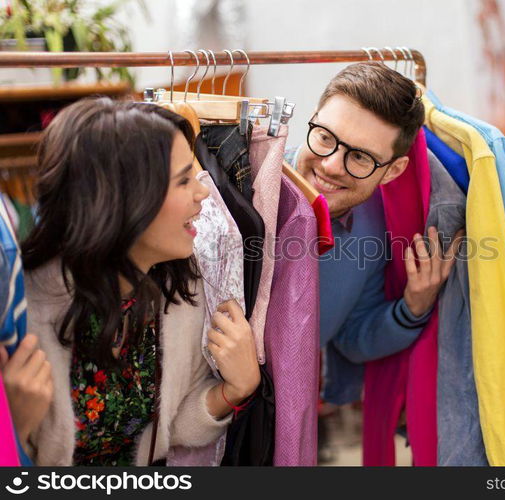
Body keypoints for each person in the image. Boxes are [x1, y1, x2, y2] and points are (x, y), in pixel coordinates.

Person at [12, 98, 260, 465]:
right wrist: (12, 427)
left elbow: (170, 427)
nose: (204, 192)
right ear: (123, 199)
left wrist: (235, 389)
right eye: (183, 180)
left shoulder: (180, 286)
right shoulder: (22, 307)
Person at [286, 62, 462, 405]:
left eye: (361, 157)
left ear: (393, 171)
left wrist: (414, 306)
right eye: (324, 137)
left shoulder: (373, 224)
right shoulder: (242, 190)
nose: (331, 165)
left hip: (288, 413)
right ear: (313, 116)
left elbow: (351, 336)